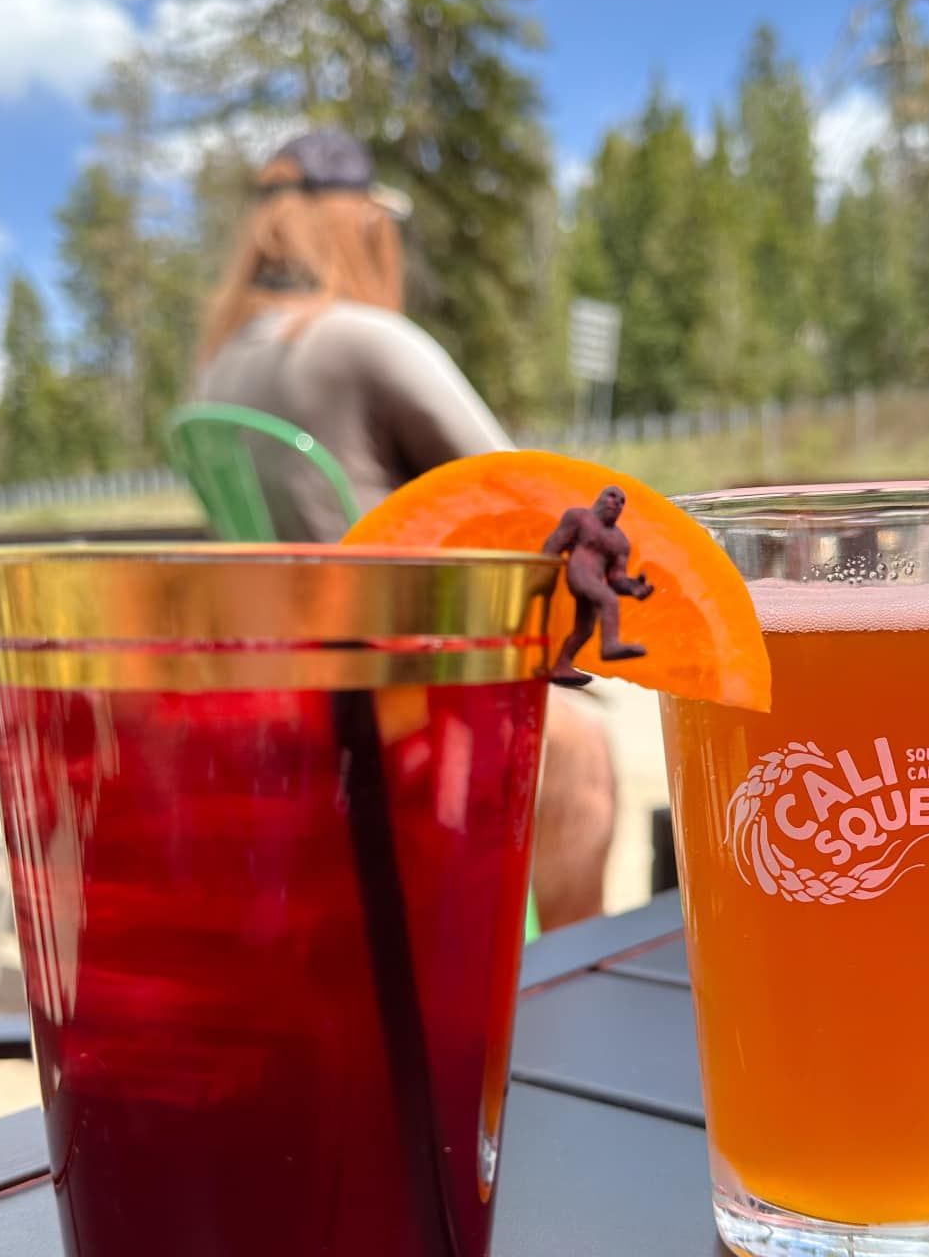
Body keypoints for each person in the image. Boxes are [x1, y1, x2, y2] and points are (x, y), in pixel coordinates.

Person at [195, 127, 616, 928]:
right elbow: (525, 495)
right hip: (393, 691)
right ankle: (563, 991)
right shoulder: (359, 340)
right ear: (358, 223)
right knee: (585, 751)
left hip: (278, 685)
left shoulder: (222, 362)